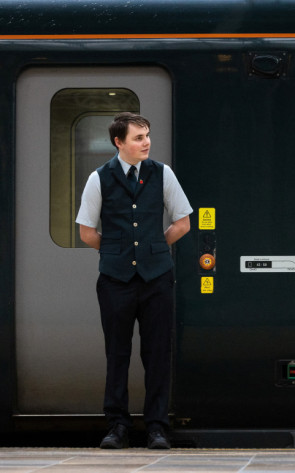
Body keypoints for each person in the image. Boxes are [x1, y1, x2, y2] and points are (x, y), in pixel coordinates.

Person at [76, 113, 192, 449]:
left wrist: (152, 248)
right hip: (115, 280)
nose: (146, 142)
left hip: (157, 279)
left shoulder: (162, 173)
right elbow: (86, 233)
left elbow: (182, 222)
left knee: (158, 353)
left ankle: (156, 426)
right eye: (139, 137)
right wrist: (119, 251)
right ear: (119, 142)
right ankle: (117, 427)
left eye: (147, 135)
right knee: (117, 354)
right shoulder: (99, 178)